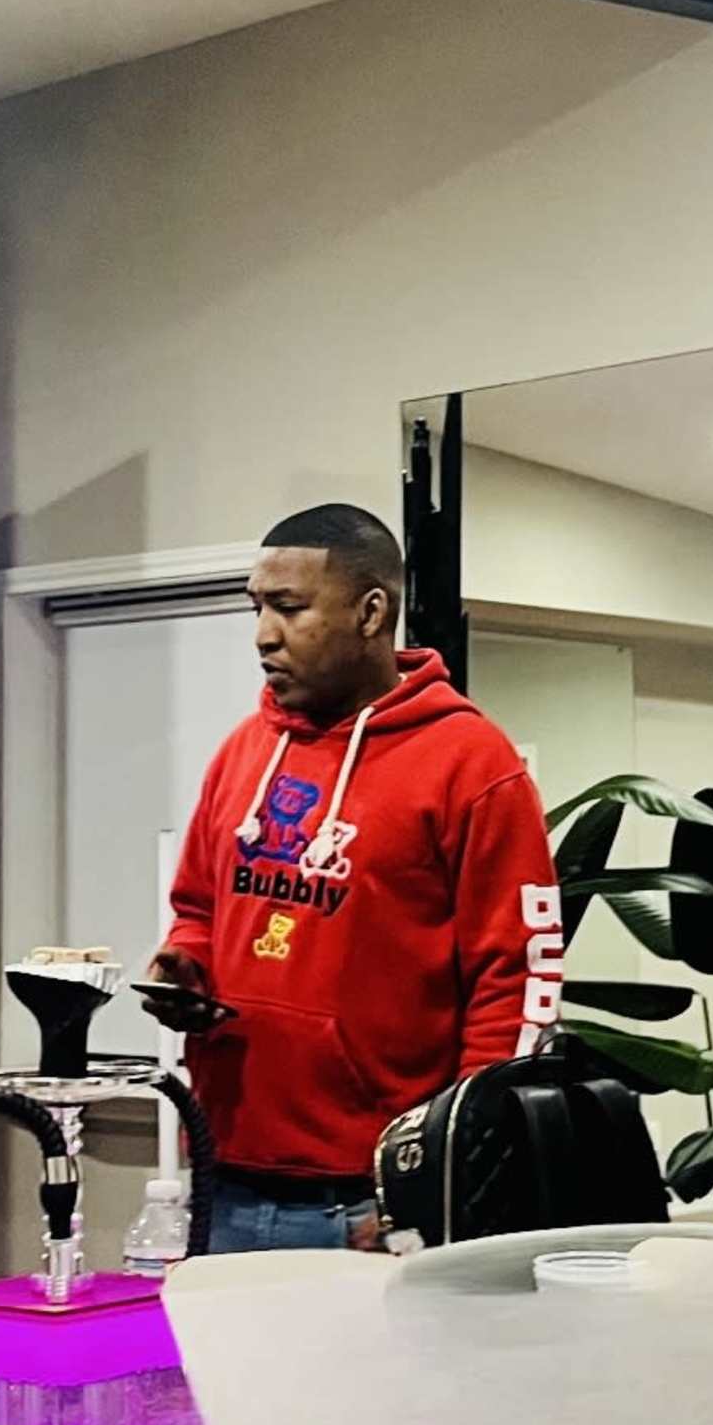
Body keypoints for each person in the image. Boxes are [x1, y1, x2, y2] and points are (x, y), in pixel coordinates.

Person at [142, 504, 560, 1251]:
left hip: (371, 1203)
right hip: (225, 1179)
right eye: (258, 608)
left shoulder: (471, 765)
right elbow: (198, 907)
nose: (264, 634)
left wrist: (438, 1181)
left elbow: (517, 987)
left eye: (289, 607)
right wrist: (188, 963)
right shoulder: (244, 749)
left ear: (372, 612)